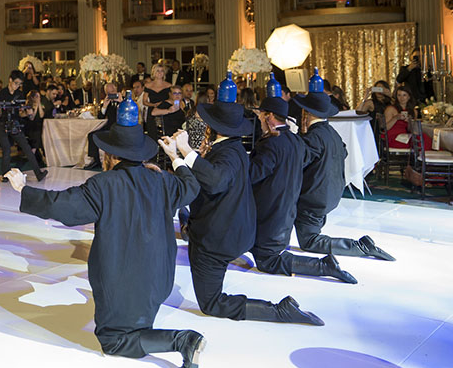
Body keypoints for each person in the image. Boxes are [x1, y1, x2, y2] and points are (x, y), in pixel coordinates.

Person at [5, 102, 206, 368]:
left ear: (111, 155)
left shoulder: (104, 185)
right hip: (159, 279)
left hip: (123, 281)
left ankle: (182, 340)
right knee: (130, 324)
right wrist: (175, 157)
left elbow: (63, 205)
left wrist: (23, 189)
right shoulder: (161, 180)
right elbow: (191, 186)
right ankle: (143, 326)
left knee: (112, 341)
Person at [158, 74, 324, 326]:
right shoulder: (233, 149)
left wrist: (186, 152)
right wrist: (177, 157)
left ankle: (280, 311)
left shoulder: (228, 155)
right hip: (238, 235)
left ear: (213, 126)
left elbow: (215, 181)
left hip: (217, 241)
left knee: (211, 303)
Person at [248, 96, 357, 284]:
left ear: (269, 116)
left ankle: (325, 265)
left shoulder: (275, 143)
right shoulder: (298, 140)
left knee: (271, 259)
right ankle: (344, 254)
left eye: (260, 115)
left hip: (282, 209)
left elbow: (254, 175)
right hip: (296, 206)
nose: (258, 119)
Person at [293, 76, 395, 261]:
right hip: (330, 195)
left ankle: (360, 247)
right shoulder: (331, 133)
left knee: (309, 241)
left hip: (314, 200)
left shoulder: (313, 138)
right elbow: (344, 152)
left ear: (306, 112)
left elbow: (297, 164)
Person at [0, 70, 47, 183]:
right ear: (10, 80)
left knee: (26, 148)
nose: (17, 86)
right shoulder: (1, 94)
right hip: (2, 124)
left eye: (19, 84)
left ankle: (38, 173)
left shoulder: (20, 95)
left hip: (15, 123)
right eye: (16, 83)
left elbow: (21, 113)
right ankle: (6, 175)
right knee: (6, 149)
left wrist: (27, 113)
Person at [84, 82, 120, 170]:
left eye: (112, 92)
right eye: (109, 93)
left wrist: (120, 102)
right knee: (92, 135)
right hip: (109, 127)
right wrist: (104, 106)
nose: (111, 94)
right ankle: (95, 160)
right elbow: (101, 116)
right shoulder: (107, 102)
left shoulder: (123, 100)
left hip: (119, 128)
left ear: (116, 90)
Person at [142, 64, 172, 137]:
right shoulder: (148, 85)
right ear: (153, 73)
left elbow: (172, 99)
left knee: (166, 134)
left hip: (165, 112)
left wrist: (164, 104)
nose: (159, 73)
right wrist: (154, 105)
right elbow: (144, 101)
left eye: (162, 71)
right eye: (157, 71)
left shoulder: (169, 85)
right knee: (152, 134)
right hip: (152, 112)